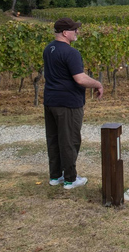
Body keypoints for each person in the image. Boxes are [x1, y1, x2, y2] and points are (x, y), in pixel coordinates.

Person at [42, 17, 103, 190]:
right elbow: (80, 78)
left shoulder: (49, 49)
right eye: (74, 30)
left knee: (53, 139)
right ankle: (70, 179)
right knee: (69, 140)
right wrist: (98, 84)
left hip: (50, 101)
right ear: (64, 32)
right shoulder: (71, 53)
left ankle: (55, 176)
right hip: (68, 103)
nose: (77, 32)